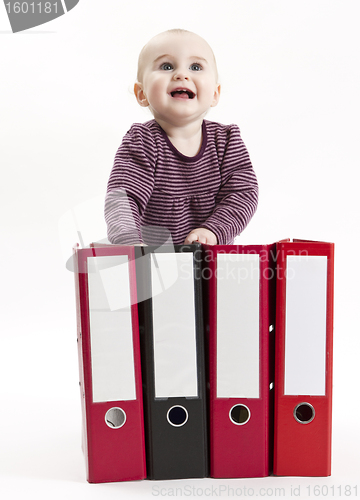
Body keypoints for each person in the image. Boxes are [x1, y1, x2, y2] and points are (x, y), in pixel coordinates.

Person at [105, 29, 258, 246]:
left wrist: (213, 231)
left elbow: (243, 194)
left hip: (211, 262)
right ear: (142, 94)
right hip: (154, 264)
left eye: (195, 67)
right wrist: (129, 243)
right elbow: (124, 198)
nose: (181, 74)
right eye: (167, 66)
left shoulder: (226, 141)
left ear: (215, 94)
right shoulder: (141, 141)